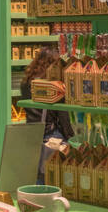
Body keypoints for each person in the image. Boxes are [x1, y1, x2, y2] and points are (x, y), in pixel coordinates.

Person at [20, 47, 74, 182]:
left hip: (31, 135)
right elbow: (62, 115)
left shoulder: (27, 82)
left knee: (38, 175)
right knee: (55, 177)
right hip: (51, 135)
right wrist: (71, 137)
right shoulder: (52, 86)